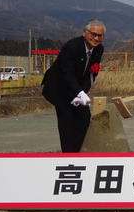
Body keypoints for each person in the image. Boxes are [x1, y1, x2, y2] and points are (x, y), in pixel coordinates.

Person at [42, 20, 105, 152]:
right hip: (59, 88)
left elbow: (92, 73)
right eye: (93, 34)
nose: (96, 38)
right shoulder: (72, 46)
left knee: (84, 117)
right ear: (84, 33)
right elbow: (66, 74)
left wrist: (82, 93)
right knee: (67, 120)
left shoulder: (99, 49)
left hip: (77, 89)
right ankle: (68, 154)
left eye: (100, 35)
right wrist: (79, 93)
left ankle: (78, 151)